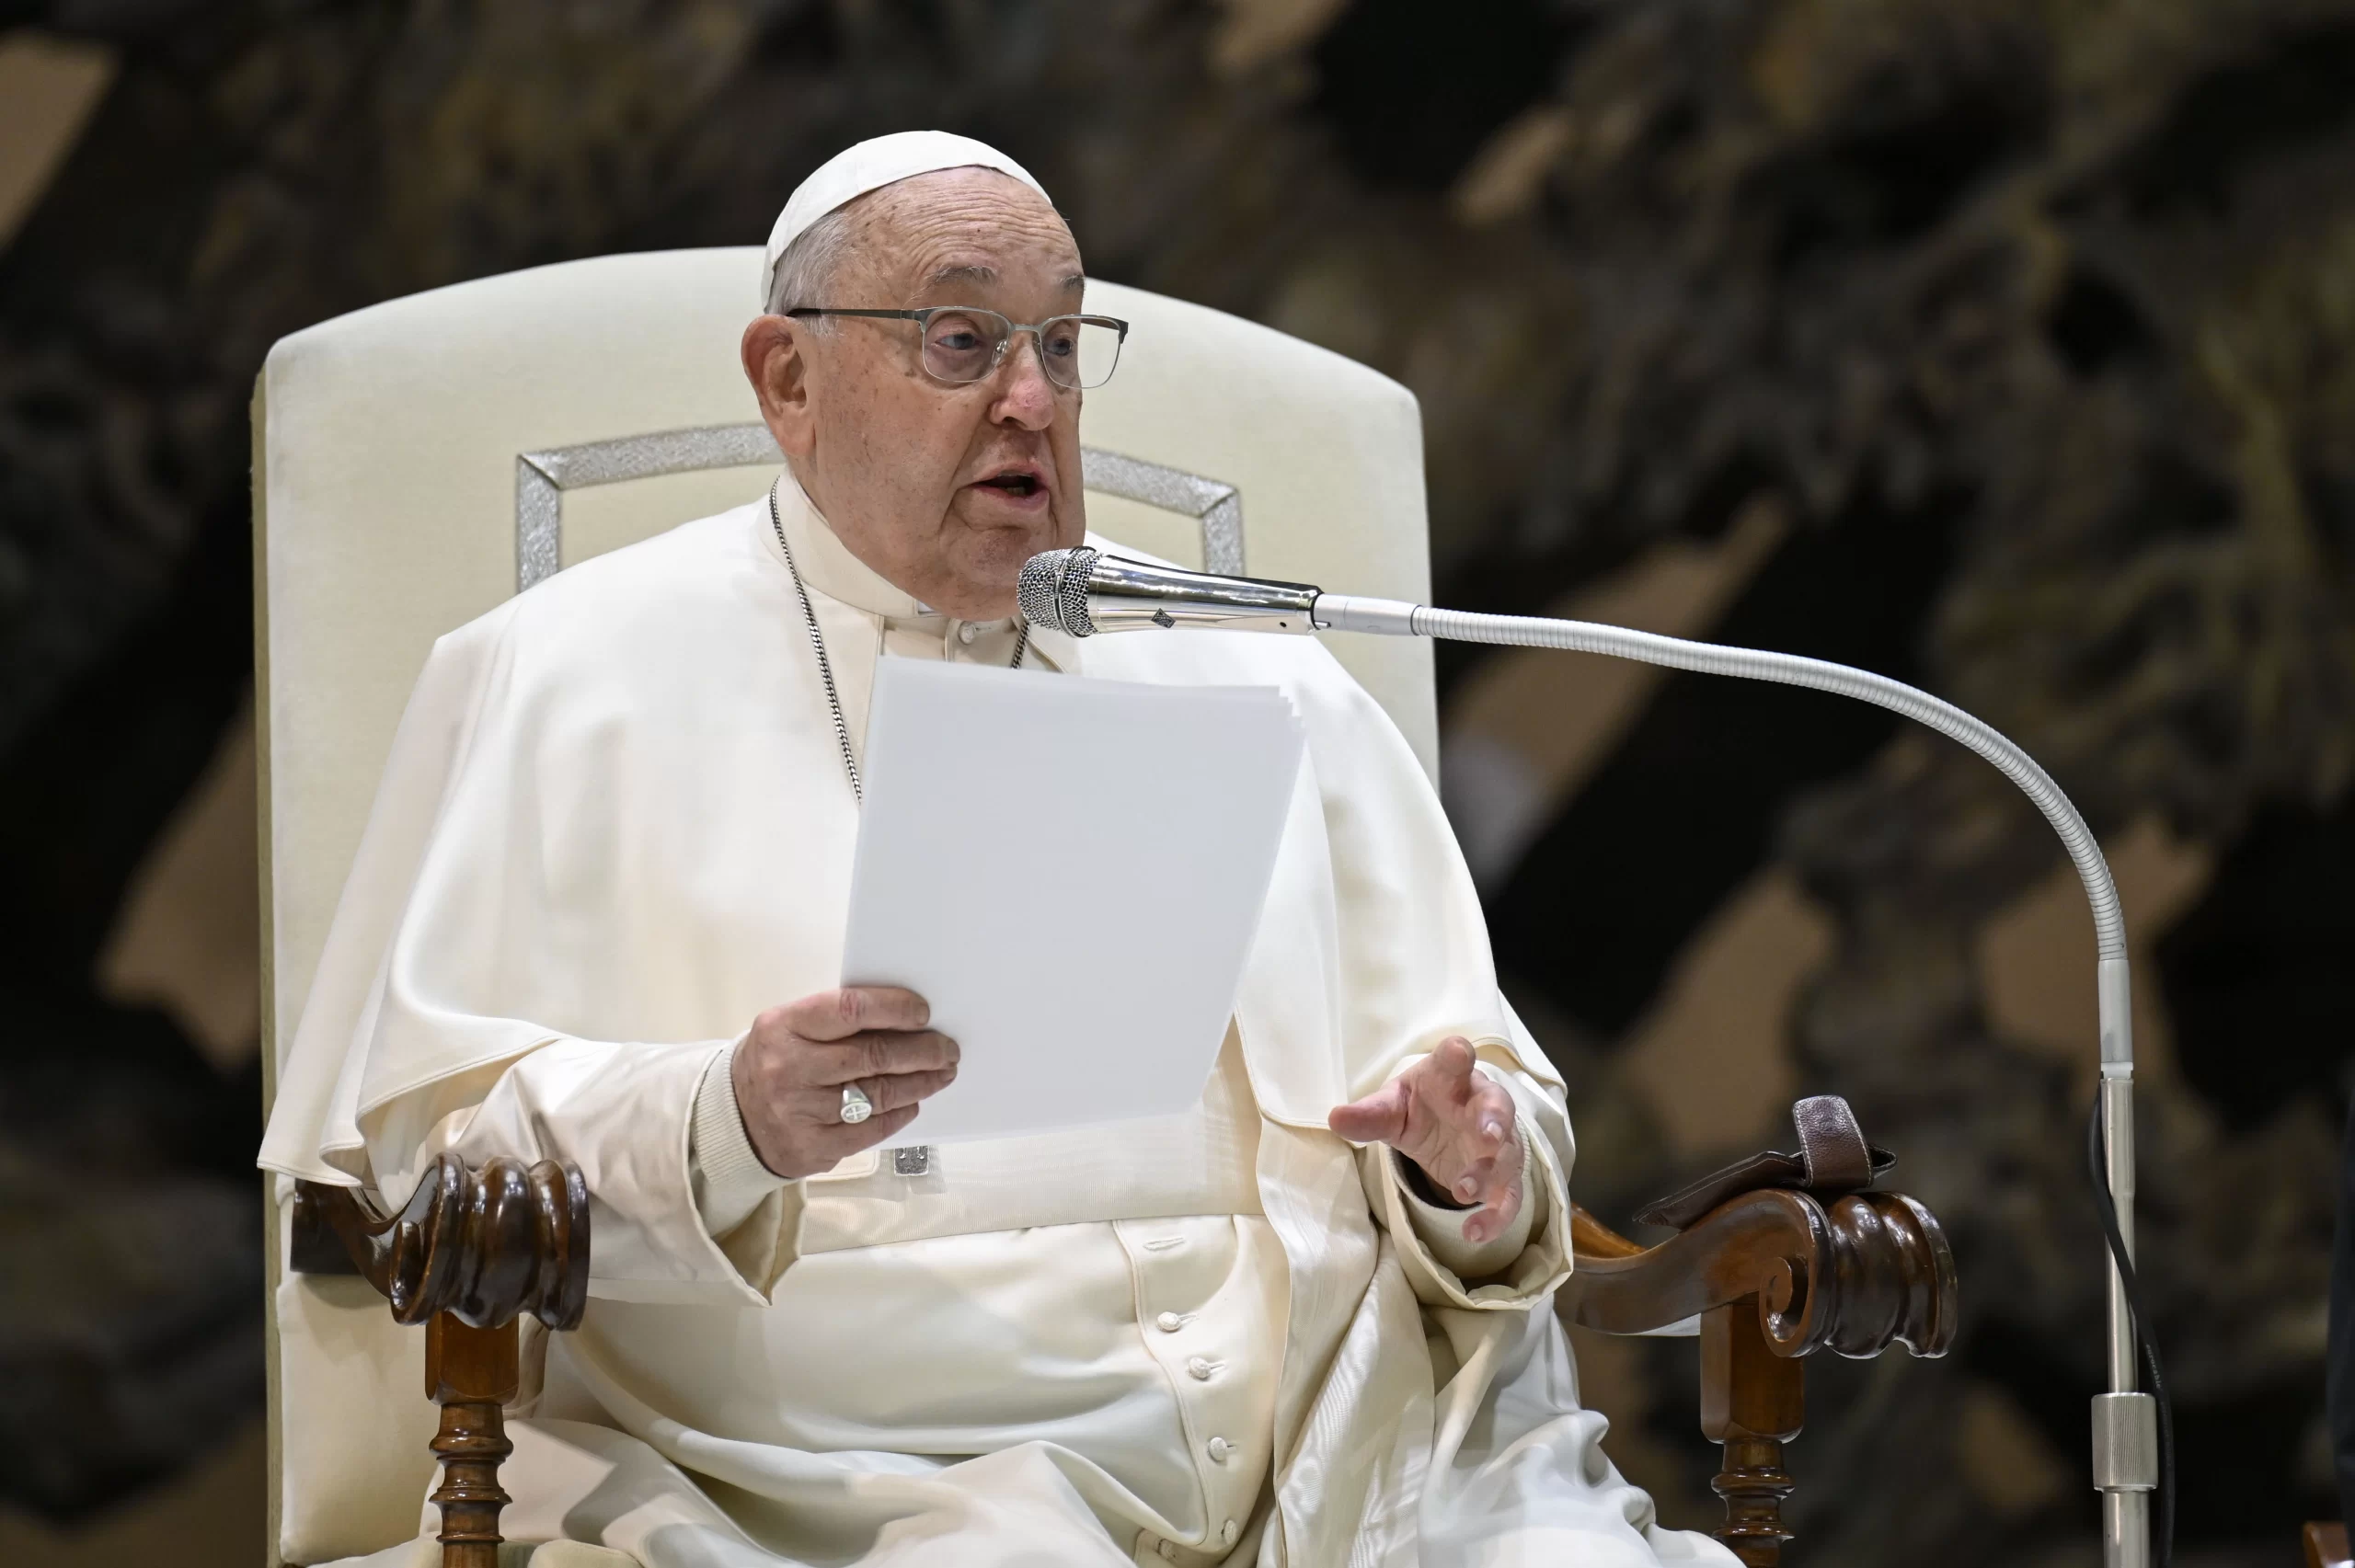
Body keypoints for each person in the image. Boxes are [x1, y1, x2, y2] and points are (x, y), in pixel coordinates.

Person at [259, 131, 1734, 1568]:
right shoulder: (567, 679)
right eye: (962, 341)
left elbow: (1497, 1132)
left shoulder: (1267, 684)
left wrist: (1464, 1172)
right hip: (860, 1498)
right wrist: (728, 1118)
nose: (1032, 400)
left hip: (1365, 1468)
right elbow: (430, 1165)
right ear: (789, 378)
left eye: (1063, 346)